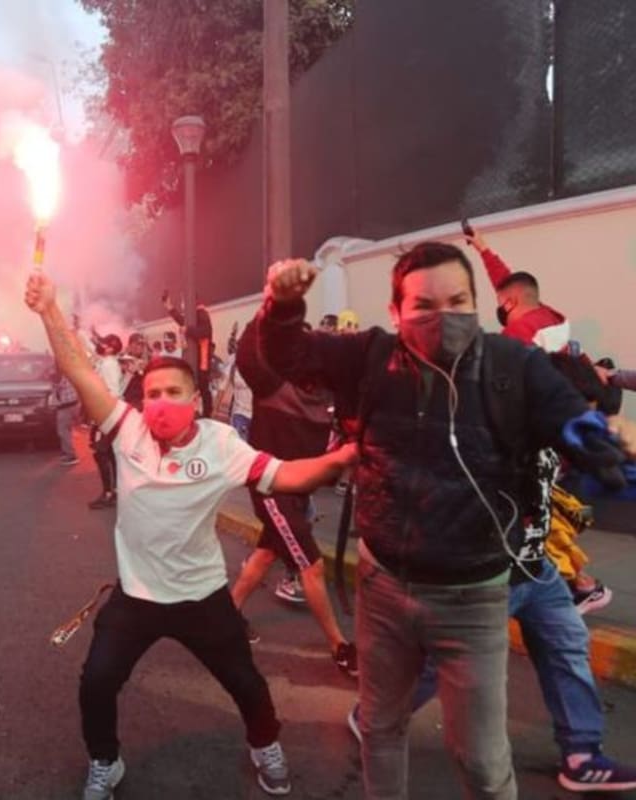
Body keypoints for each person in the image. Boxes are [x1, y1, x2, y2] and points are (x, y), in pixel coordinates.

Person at [258, 244, 636, 800]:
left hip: (478, 595)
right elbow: (287, 354)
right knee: (381, 731)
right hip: (384, 588)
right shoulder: (369, 356)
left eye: (458, 300)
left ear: (478, 304)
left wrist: (603, 449)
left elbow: (569, 418)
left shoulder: (515, 365)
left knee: (483, 763)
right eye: (424, 304)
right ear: (395, 312)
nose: (444, 316)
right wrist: (282, 304)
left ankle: (578, 749)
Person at [24, 270, 358, 799]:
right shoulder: (127, 428)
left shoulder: (221, 443)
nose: (159, 401)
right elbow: (79, 369)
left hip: (203, 599)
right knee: (96, 682)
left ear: (195, 401)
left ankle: (265, 744)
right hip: (135, 598)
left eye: (172, 392)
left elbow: (288, 475)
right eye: (152, 392)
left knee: (246, 684)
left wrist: (343, 458)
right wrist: (49, 310)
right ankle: (105, 763)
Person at [465, 229, 608, 612]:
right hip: (566, 433)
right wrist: (483, 248)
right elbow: (510, 283)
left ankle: (580, 585)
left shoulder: (519, 334)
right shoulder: (550, 318)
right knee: (541, 515)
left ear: (510, 302)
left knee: (536, 515)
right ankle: (577, 585)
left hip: (541, 441)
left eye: (501, 302)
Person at [228, 317, 356, 677]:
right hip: (272, 488)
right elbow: (248, 353)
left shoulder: (332, 397)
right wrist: (272, 306)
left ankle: (228, 614)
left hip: (301, 491)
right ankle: (339, 647)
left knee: (266, 553)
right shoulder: (273, 387)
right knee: (311, 566)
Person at [163, 294, 215, 419]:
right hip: (197, 357)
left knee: (203, 386)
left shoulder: (201, 312)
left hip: (202, 357)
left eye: (184, 301)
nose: (182, 305)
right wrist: (170, 308)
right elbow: (183, 321)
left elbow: (205, 332)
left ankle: (207, 414)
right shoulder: (195, 314)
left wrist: (188, 330)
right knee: (195, 385)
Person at [88, 334, 123, 510]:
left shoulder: (109, 364)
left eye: (104, 343)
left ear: (110, 347)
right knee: (108, 454)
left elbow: (113, 392)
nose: (100, 345)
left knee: (102, 454)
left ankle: (109, 493)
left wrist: (103, 416)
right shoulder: (107, 362)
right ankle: (114, 491)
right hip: (106, 414)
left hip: (106, 415)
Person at [53, 368, 80, 466]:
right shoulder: (71, 374)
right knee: (67, 430)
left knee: (63, 431)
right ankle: (68, 452)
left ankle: (71, 455)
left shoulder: (61, 377)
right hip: (74, 404)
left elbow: (58, 387)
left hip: (65, 407)